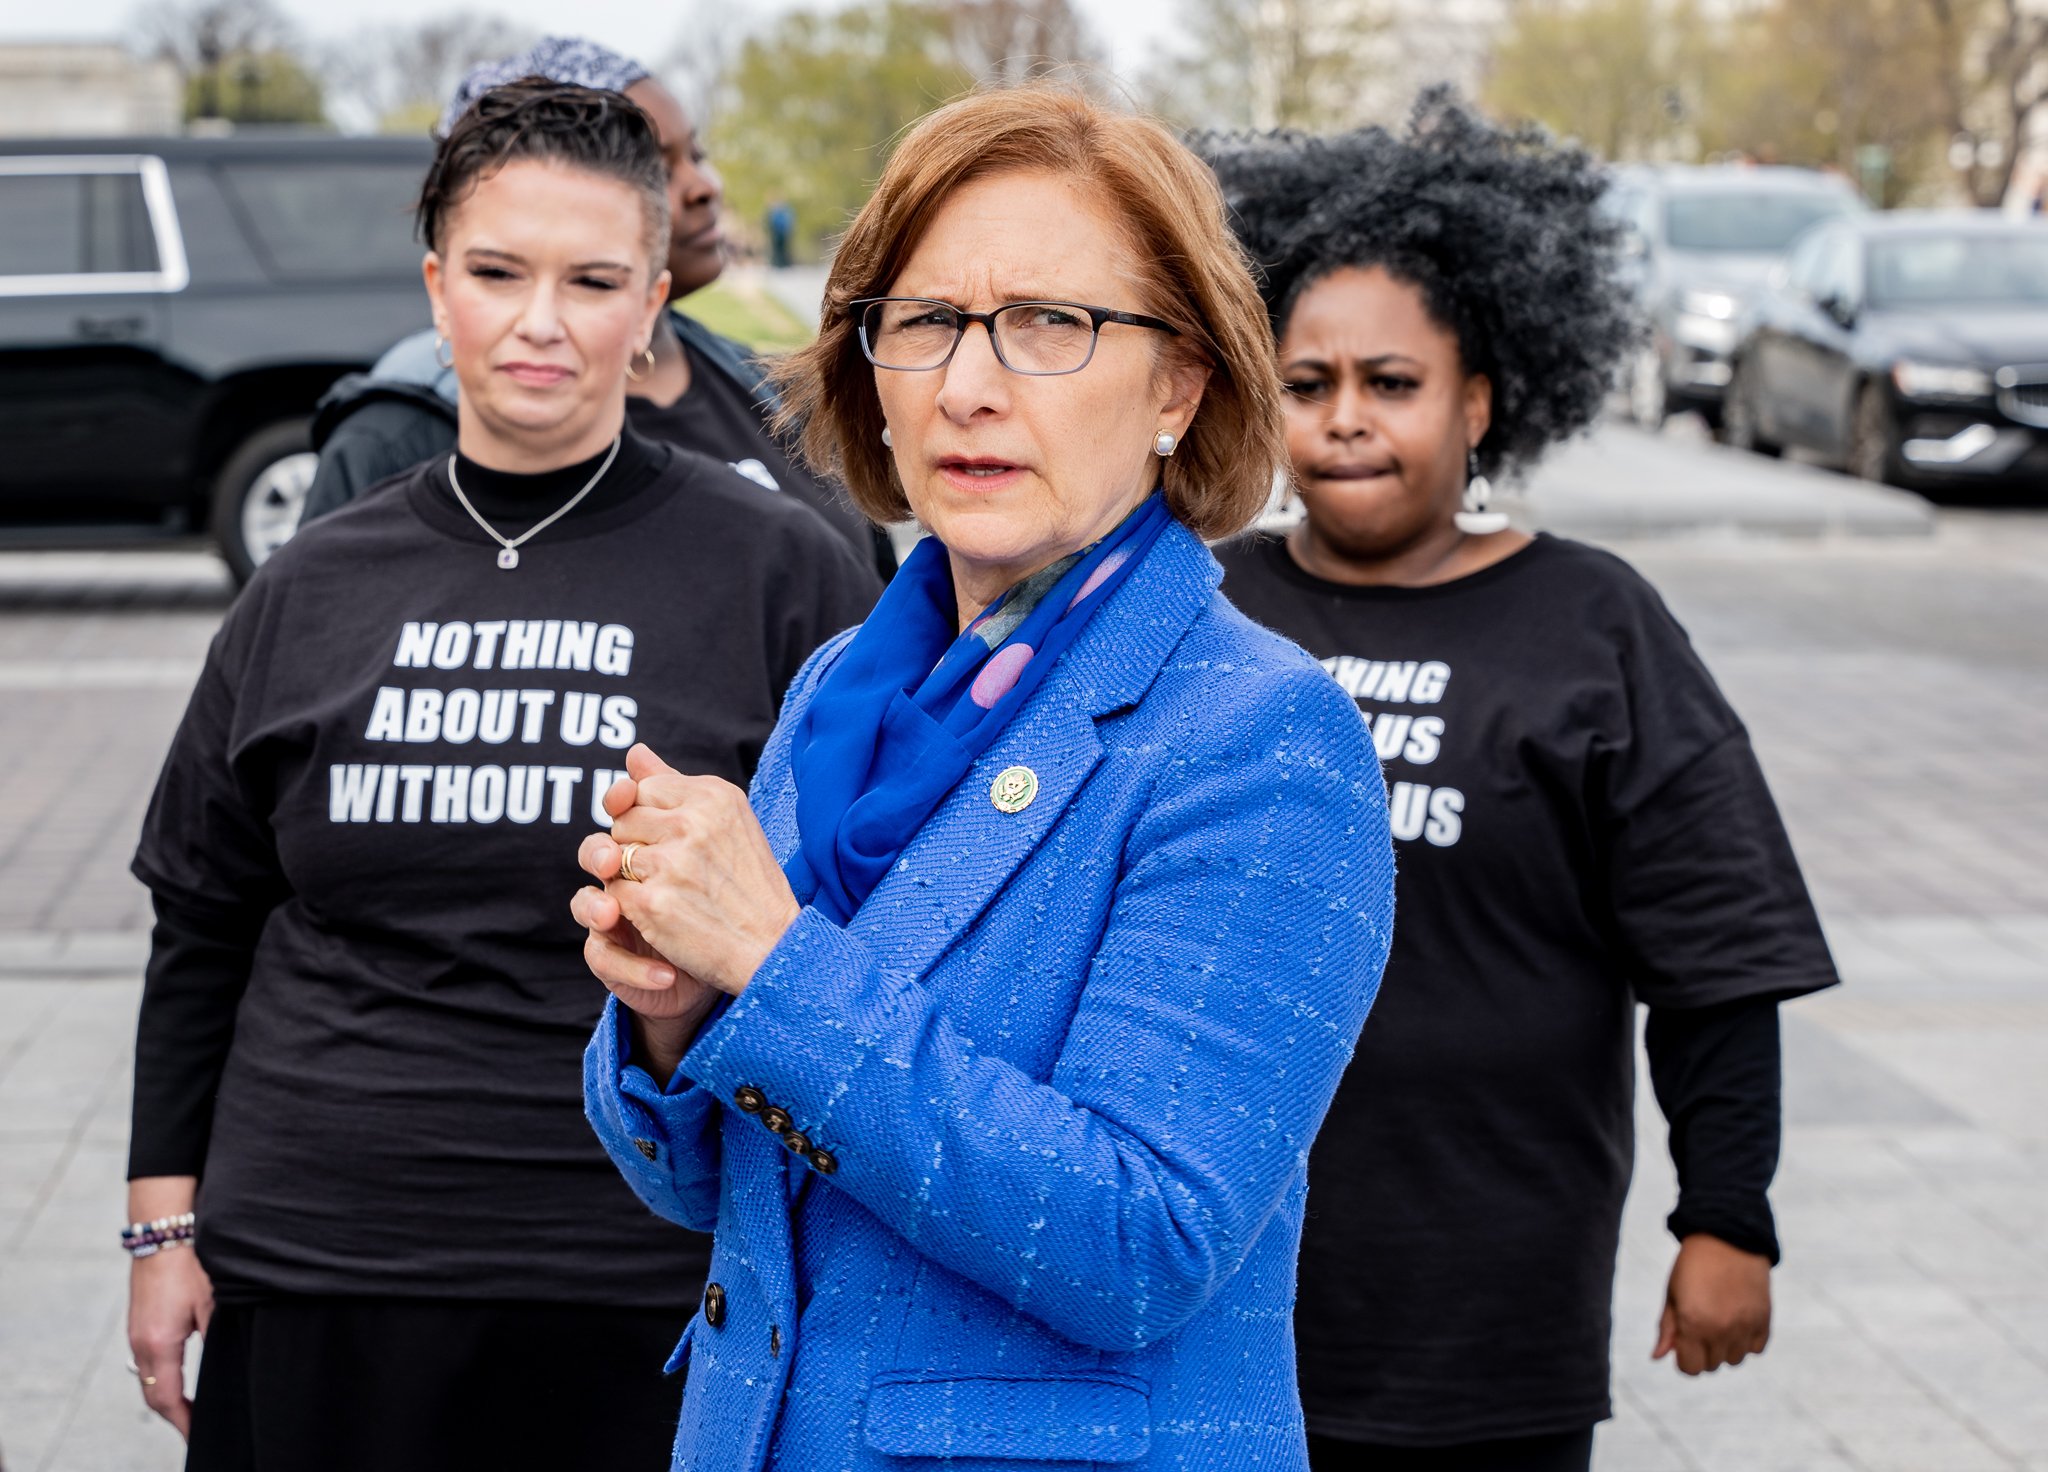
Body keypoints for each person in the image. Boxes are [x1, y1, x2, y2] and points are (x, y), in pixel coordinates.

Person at [568, 84, 1397, 1471]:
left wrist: (769, 970)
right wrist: (669, 1016)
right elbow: (722, 1187)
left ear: (1180, 384)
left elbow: (1143, 1242)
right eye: (928, 323)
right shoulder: (847, 688)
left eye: (1048, 325)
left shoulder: (1260, 738)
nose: (968, 384)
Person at [123, 81, 879, 1472]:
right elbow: (203, 919)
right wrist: (164, 1228)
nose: (542, 321)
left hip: (645, 1267)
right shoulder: (311, 583)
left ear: (653, 300)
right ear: (435, 289)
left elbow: (858, 923)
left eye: (592, 280)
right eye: (497, 273)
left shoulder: (781, 571)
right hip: (322, 1264)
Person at [1195, 93, 1842, 1471]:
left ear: (1481, 400)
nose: (1347, 420)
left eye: (1394, 382)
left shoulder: (1595, 625)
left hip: (1485, 1306)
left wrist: (1729, 1218)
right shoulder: (1200, 609)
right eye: (1308, 387)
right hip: (1209, 1284)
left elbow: (1716, 953)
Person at [298, 37, 893, 579]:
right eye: (657, 166)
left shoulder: (763, 387)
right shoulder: (404, 432)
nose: (702, 187)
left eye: (697, 154)